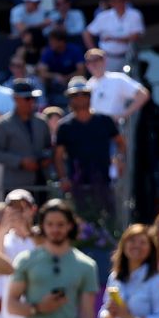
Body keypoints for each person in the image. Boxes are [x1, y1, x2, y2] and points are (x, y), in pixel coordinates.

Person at [8, 199, 99, 318]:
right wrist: (38, 308)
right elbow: (11, 305)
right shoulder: (25, 260)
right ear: (42, 226)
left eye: (60, 224)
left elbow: (87, 313)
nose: (55, 229)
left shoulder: (86, 265)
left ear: (70, 226)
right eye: (49, 224)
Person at [53, 79, 124, 217]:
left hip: (104, 183)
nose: (80, 98)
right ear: (69, 99)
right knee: (80, 223)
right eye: (75, 95)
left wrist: (119, 158)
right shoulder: (64, 126)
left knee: (109, 222)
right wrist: (63, 178)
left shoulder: (105, 121)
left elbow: (120, 142)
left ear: (90, 96)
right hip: (77, 186)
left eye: (84, 94)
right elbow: (58, 156)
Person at [84, 0, 144, 64]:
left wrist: (112, 38)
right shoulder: (103, 16)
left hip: (129, 57)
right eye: (114, 0)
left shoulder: (135, 15)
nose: (118, 3)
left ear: (126, 0)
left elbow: (136, 36)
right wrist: (94, 52)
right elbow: (86, 33)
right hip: (108, 58)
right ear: (110, 2)